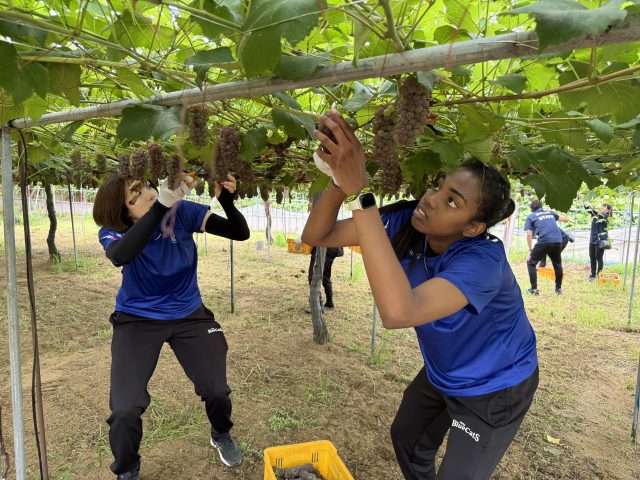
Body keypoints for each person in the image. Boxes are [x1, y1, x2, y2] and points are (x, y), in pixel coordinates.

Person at [302, 110, 538, 480]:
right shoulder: (407, 222)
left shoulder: (482, 262)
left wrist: (360, 191)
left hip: (495, 384)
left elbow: (399, 312)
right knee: (407, 438)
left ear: (474, 227)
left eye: (452, 201)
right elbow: (317, 236)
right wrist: (338, 182)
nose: (430, 200)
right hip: (444, 370)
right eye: (438, 186)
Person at [92, 171, 250, 480]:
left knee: (216, 390)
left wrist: (227, 202)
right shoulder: (113, 230)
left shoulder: (183, 213)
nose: (148, 192)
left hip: (188, 313)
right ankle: (128, 468)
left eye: (147, 185)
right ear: (122, 209)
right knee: (124, 410)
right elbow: (119, 256)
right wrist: (161, 206)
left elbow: (239, 232)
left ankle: (220, 433)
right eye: (134, 193)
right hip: (137, 319)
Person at [525, 200, 569, 295]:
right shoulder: (550, 213)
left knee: (531, 263)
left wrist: (529, 249)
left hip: (544, 241)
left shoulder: (531, 217)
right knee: (557, 264)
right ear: (541, 207)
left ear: (532, 209)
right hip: (557, 240)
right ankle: (558, 289)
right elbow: (565, 219)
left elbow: (529, 234)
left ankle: (534, 289)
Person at [306, 245, 344, 311]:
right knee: (325, 276)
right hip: (332, 247)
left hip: (324, 247)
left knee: (313, 276)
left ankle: (317, 305)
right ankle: (329, 301)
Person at [585, 203, 612, 280]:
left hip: (600, 241)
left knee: (599, 258)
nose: (602, 207)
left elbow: (594, 212)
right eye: (602, 206)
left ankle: (599, 275)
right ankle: (593, 274)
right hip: (592, 239)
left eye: (604, 207)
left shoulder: (606, 217)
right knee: (592, 257)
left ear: (608, 209)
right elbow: (591, 211)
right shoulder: (596, 215)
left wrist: (588, 206)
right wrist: (585, 204)